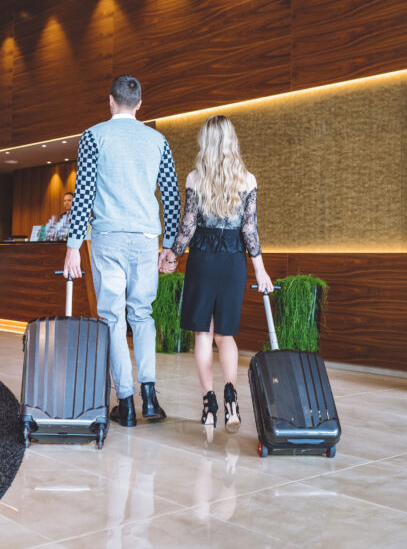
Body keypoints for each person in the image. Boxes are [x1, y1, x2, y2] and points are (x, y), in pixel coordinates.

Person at [63, 75, 181, 427]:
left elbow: (83, 194)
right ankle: (150, 398)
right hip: (146, 240)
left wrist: (73, 246)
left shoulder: (93, 136)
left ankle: (125, 403)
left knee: (113, 318)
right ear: (140, 104)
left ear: (111, 101)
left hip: (108, 239)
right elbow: (172, 197)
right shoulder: (157, 140)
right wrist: (170, 248)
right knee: (142, 315)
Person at [168, 115, 273, 439]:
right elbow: (249, 230)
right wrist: (260, 270)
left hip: (202, 260)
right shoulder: (247, 180)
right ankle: (231, 399)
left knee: (203, 335)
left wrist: (173, 255)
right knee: (225, 335)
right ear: (231, 141)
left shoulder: (195, 178)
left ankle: (208, 402)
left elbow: (188, 225)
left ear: (206, 142)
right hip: (232, 263)